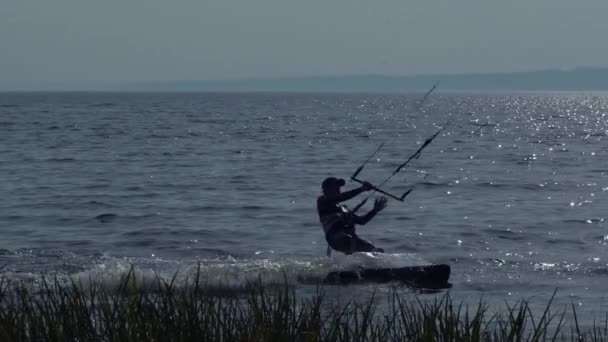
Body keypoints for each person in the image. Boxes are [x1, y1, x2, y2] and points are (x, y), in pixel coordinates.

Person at [317, 177, 388, 255]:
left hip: (351, 239)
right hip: (334, 238)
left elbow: (362, 221)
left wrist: (375, 210)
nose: (337, 189)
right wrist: (362, 189)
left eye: (338, 187)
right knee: (346, 238)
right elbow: (341, 197)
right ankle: (351, 259)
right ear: (326, 189)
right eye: (334, 187)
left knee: (373, 248)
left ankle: (369, 264)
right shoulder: (322, 201)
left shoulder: (343, 209)